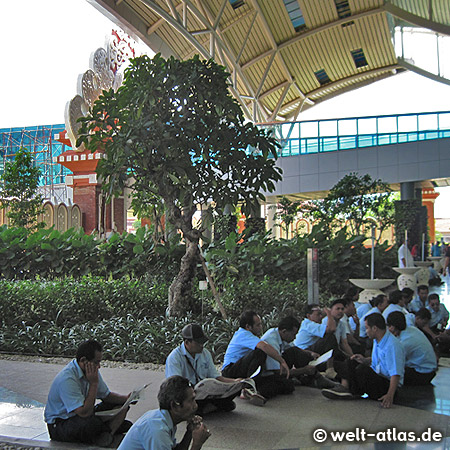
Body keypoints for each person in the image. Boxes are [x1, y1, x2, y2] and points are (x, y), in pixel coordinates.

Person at [44, 340, 132, 446]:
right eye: (96, 362)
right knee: (90, 424)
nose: (98, 366)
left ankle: (107, 434)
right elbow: (84, 413)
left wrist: (128, 398)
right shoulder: (67, 379)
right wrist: (93, 384)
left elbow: (106, 396)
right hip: (61, 424)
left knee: (122, 410)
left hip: (84, 414)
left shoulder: (91, 370)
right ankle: (105, 431)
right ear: (84, 360)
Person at [322, 313, 405, 409]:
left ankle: (352, 391)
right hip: (378, 376)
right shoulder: (377, 340)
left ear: (374, 328)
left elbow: (395, 373)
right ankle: (345, 388)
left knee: (362, 370)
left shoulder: (392, 345)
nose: (366, 332)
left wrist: (390, 395)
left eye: (367, 328)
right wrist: (365, 360)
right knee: (351, 360)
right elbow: (380, 361)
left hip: (387, 385)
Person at [165, 324, 240, 415]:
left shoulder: (205, 353)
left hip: (204, 394)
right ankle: (202, 408)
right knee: (227, 405)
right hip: (187, 395)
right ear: (187, 342)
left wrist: (235, 382)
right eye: (198, 343)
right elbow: (175, 386)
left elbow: (215, 377)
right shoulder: (174, 358)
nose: (201, 345)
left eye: (202, 342)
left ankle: (201, 409)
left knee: (233, 397)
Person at [118, 376, 210, 450]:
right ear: (174, 406)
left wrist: (189, 432)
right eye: (191, 401)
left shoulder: (165, 420)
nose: (195, 406)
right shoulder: (158, 431)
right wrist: (197, 445)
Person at [222, 310, 290, 402]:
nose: (261, 327)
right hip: (230, 371)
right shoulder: (243, 334)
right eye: (258, 325)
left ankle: (254, 392)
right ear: (248, 327)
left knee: (284, 383)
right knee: (260, 352)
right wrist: (281, 361)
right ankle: (248, 387)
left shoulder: (251, 336)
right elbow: (264, 346)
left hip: (242, 370)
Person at [260, 316, 337, 390]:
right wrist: (303, 370)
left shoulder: (279, 334)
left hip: (279, 367)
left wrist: (310, 353)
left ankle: (314, 377)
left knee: (295, 351)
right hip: (269, 374)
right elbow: (278, 372)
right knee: (288, 386)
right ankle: (310, 378)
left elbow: (294, 348)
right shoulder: (271, 341)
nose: (295, 338)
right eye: (293, 335)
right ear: (284, 331)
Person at [386, 311, 437, 385]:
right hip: (429, 370)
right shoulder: (412, 329)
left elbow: (395, 359)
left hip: (423, 373)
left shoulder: (405, 341)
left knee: (390, 373)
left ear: (392, 327)